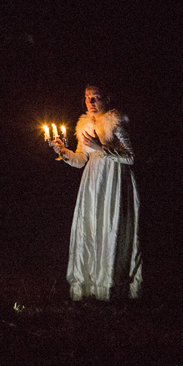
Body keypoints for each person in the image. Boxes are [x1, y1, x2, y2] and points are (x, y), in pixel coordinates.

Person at [51, 85, 142, 301]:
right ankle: (89, 288)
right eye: (87, 98)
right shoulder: (84, 124)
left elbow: (130, 157)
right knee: (91, 228)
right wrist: (64, 152)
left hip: (114, 182)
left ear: (106, 99)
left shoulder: (115, 121)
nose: (91, 102)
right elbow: (81, 159)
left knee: (110, 228)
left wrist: (100, 147)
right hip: (92, 183)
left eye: (96, 97)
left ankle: (111, 287)